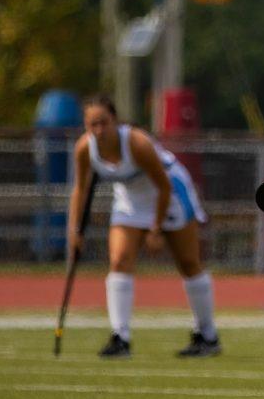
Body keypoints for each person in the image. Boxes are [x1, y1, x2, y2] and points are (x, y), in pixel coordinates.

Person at [67, 94, 222, 359]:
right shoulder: (85, 148)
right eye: (92, 124)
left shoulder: (137, 143)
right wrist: (74, 229)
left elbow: (164, 186)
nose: (99, 130)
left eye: (104, 123)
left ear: (115, 120)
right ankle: (120, 337)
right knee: (119, 260)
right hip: (130, 201)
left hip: (170, 195)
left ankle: (207, 335)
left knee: (188, 263)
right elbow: (80, 189)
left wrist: (155, 230)